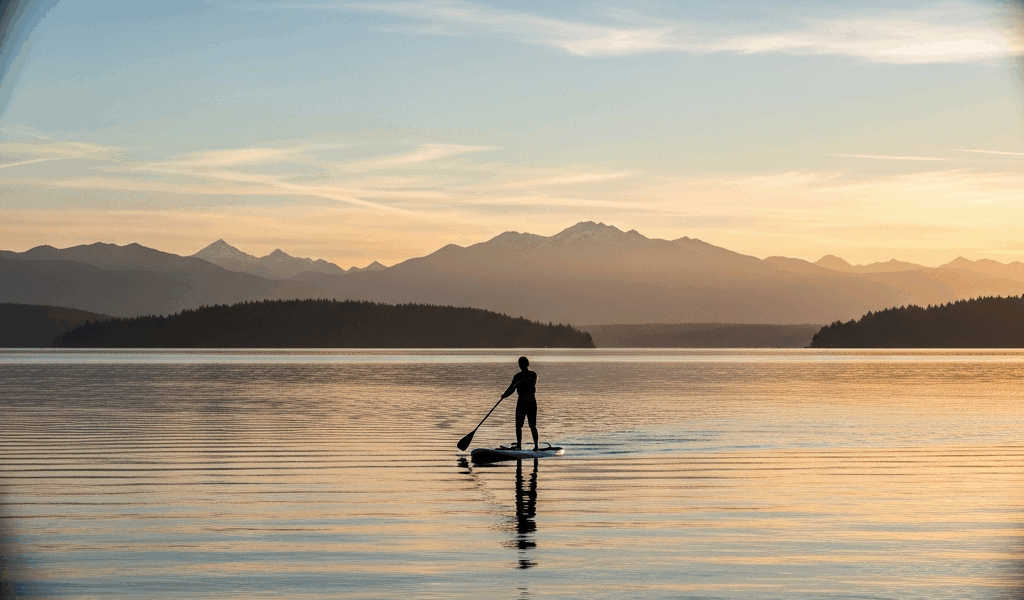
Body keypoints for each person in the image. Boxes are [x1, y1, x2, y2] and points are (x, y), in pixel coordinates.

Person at [501, 356, 539, 451]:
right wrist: (504, 395)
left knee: (532, 425)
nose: (521, 366)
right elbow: (511, 389)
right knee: (518, 426)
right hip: (521, 402)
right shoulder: (517, 376)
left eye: (522, 364)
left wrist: (522, 381)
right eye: (520, 364)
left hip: (530, 402)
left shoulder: (532, 374)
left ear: (526, 364)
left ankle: (536, 446)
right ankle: (519, 446)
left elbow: (532, 382)